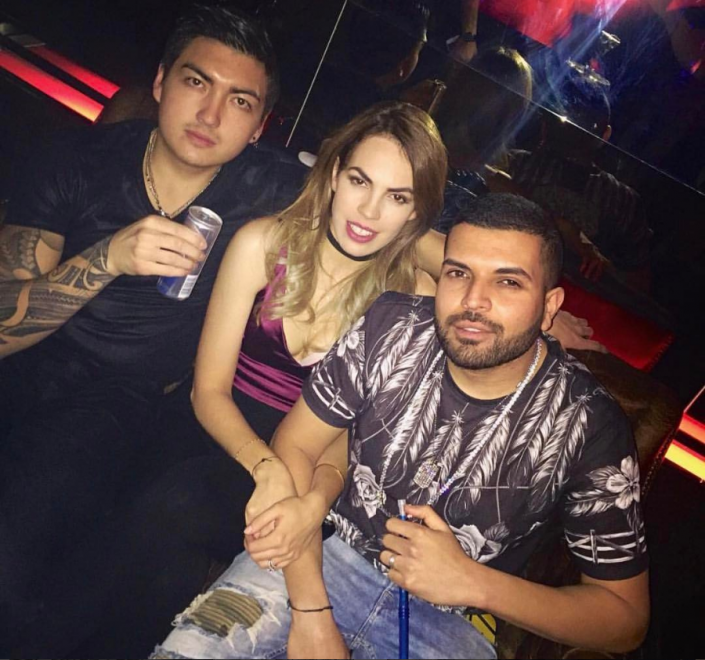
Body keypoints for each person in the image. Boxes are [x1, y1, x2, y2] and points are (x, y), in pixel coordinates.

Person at [6, 99, 448, 659]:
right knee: (128, 513)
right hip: (214, 421)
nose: (369, 209)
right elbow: (207, 389)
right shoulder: (265, 243)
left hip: (311, 461)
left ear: (415, 212)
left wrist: (313, 498)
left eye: (398, 197)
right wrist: (263, 466)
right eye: (360, 181)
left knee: (177, 506)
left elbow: (355, 433)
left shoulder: (413, 298)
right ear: (336, 174)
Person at [155, 194, 650, 660]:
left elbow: (624, 619)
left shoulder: (588, 423)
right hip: (320, 556)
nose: (473, 301)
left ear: (550, 307)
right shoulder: (391, 326)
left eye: (508, 282)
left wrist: (472, 582)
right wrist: (311, 610)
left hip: (454, 621)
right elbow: (296, 444)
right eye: (459, 273)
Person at [0, 2, 305, 644]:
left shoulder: (270, 188)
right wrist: (108, 257)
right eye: (197, 82)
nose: (211, 115)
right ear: (162, 82)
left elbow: (390, 216)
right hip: (28, 362)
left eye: (239, 101)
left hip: (123, 401)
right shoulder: (81, 158)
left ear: (259, 127)